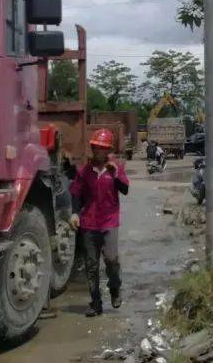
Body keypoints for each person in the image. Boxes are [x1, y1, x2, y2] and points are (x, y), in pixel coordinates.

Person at [69, 128, 129, 317]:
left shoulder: (116, 167)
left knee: (111, 259)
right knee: (91, 264)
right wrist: (74, 214)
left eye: (102, 148)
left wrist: (115, 174)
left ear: (108, 150)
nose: (98, 151)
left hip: (109, 221)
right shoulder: (84, 171)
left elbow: (125, 189)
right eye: (95, 147)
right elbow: (76, 194)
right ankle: (95, 302)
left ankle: (115, 288)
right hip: (89, 222)